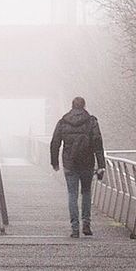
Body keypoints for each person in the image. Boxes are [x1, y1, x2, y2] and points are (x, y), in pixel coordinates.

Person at [49, 96, 106, 238]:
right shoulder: (91, 121)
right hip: (87, 162)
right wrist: (101, 165)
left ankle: (75, 228)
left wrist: (54, 162)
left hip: (70, 163)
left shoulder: (63, 122)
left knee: (72, 194)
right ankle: (86, 223)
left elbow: (55, 143)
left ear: (72, 106)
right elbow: (98, 143)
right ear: (84, 106)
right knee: (86, 193)